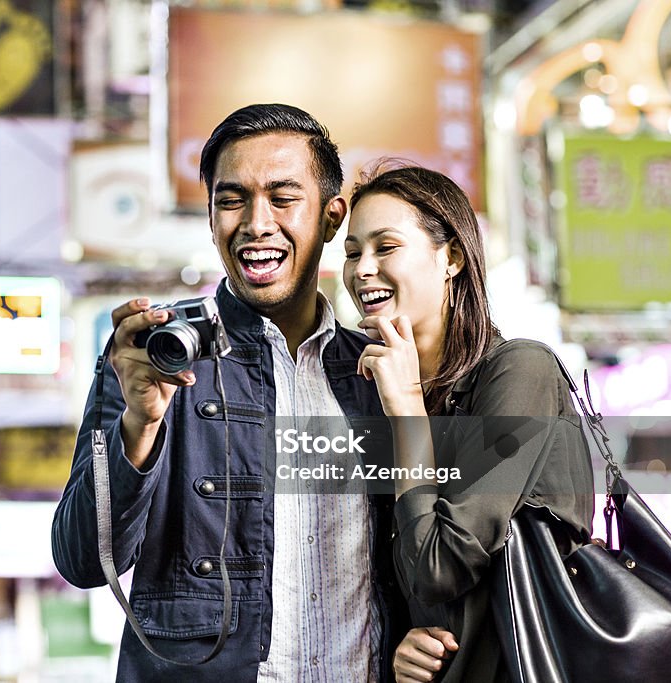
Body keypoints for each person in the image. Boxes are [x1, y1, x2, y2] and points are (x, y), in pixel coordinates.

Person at [52, 104, 409, 681]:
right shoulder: (150, 364)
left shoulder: (378, 376)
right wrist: (138, 431)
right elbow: (81, 561)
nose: (256, 222)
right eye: (231, 199)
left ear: (331, 216)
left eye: (284, 197)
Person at [341, 162, 595, 682]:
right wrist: (401, 647)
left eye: (386, 247)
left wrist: (407, 409)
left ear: (451, 256)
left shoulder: (521, 371)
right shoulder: (385, 397)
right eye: (352, 252)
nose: (362, 269)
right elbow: (411, 586)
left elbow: (440, 566)